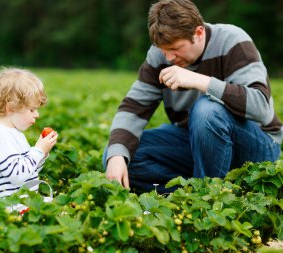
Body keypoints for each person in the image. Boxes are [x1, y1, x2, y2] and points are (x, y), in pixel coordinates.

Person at [103, 0, 282, 194]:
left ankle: (210, 198)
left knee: (207, 110)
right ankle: (196, 193)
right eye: (164, 50)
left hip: (256, 144)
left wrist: (201, 81)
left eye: (175, 48)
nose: (169, 58)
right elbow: (134, 107)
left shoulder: (233, 40)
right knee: (119, 153)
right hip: (197, 142)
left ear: (198, 33)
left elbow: (261, 108)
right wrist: (116, 156)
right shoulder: (159, 56)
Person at [0, 67, 58, 211]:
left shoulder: (15, 133)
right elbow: (17, 175)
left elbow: (29, 171)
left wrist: (42, 153)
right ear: (10, 108)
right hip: (7, 210)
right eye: (32, 109)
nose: (36, 115)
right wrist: (37, 150)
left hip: (21, 204)